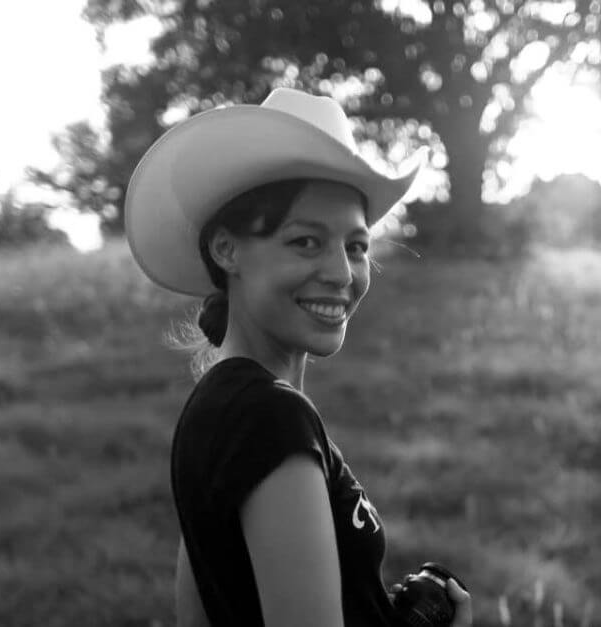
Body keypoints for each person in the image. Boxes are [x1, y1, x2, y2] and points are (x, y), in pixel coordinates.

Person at [125, 87, 472, 627]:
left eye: (356, 246)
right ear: (226, 249)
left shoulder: (215, 405)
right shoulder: (272, 419)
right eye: (306, 242)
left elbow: (197, 618)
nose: (341, 273)